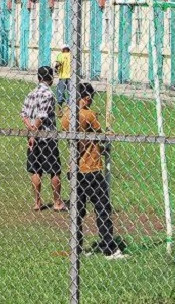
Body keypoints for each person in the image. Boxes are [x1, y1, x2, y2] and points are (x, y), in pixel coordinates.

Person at [61, 82, 126, 260]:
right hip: (91, 169)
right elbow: (101, 134)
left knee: (78, 210)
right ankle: (109, 249)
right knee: (103, 208)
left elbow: (89, 140)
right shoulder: (88, 115)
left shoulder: (66, 115)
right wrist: (108, 135)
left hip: (74, 169)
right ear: (87, 97)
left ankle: (77, 247)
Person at [20, 66, 65, 212]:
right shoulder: (49, 95)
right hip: (47, 137)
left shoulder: (31, 93)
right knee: (54, 170)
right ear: (51, 78)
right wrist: (35, 132)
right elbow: (42, 116)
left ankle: (37, 201)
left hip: (32, 138)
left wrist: (31, 130)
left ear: (38, 78)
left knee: (35, 170)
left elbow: (24, 115)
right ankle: (57, 201)